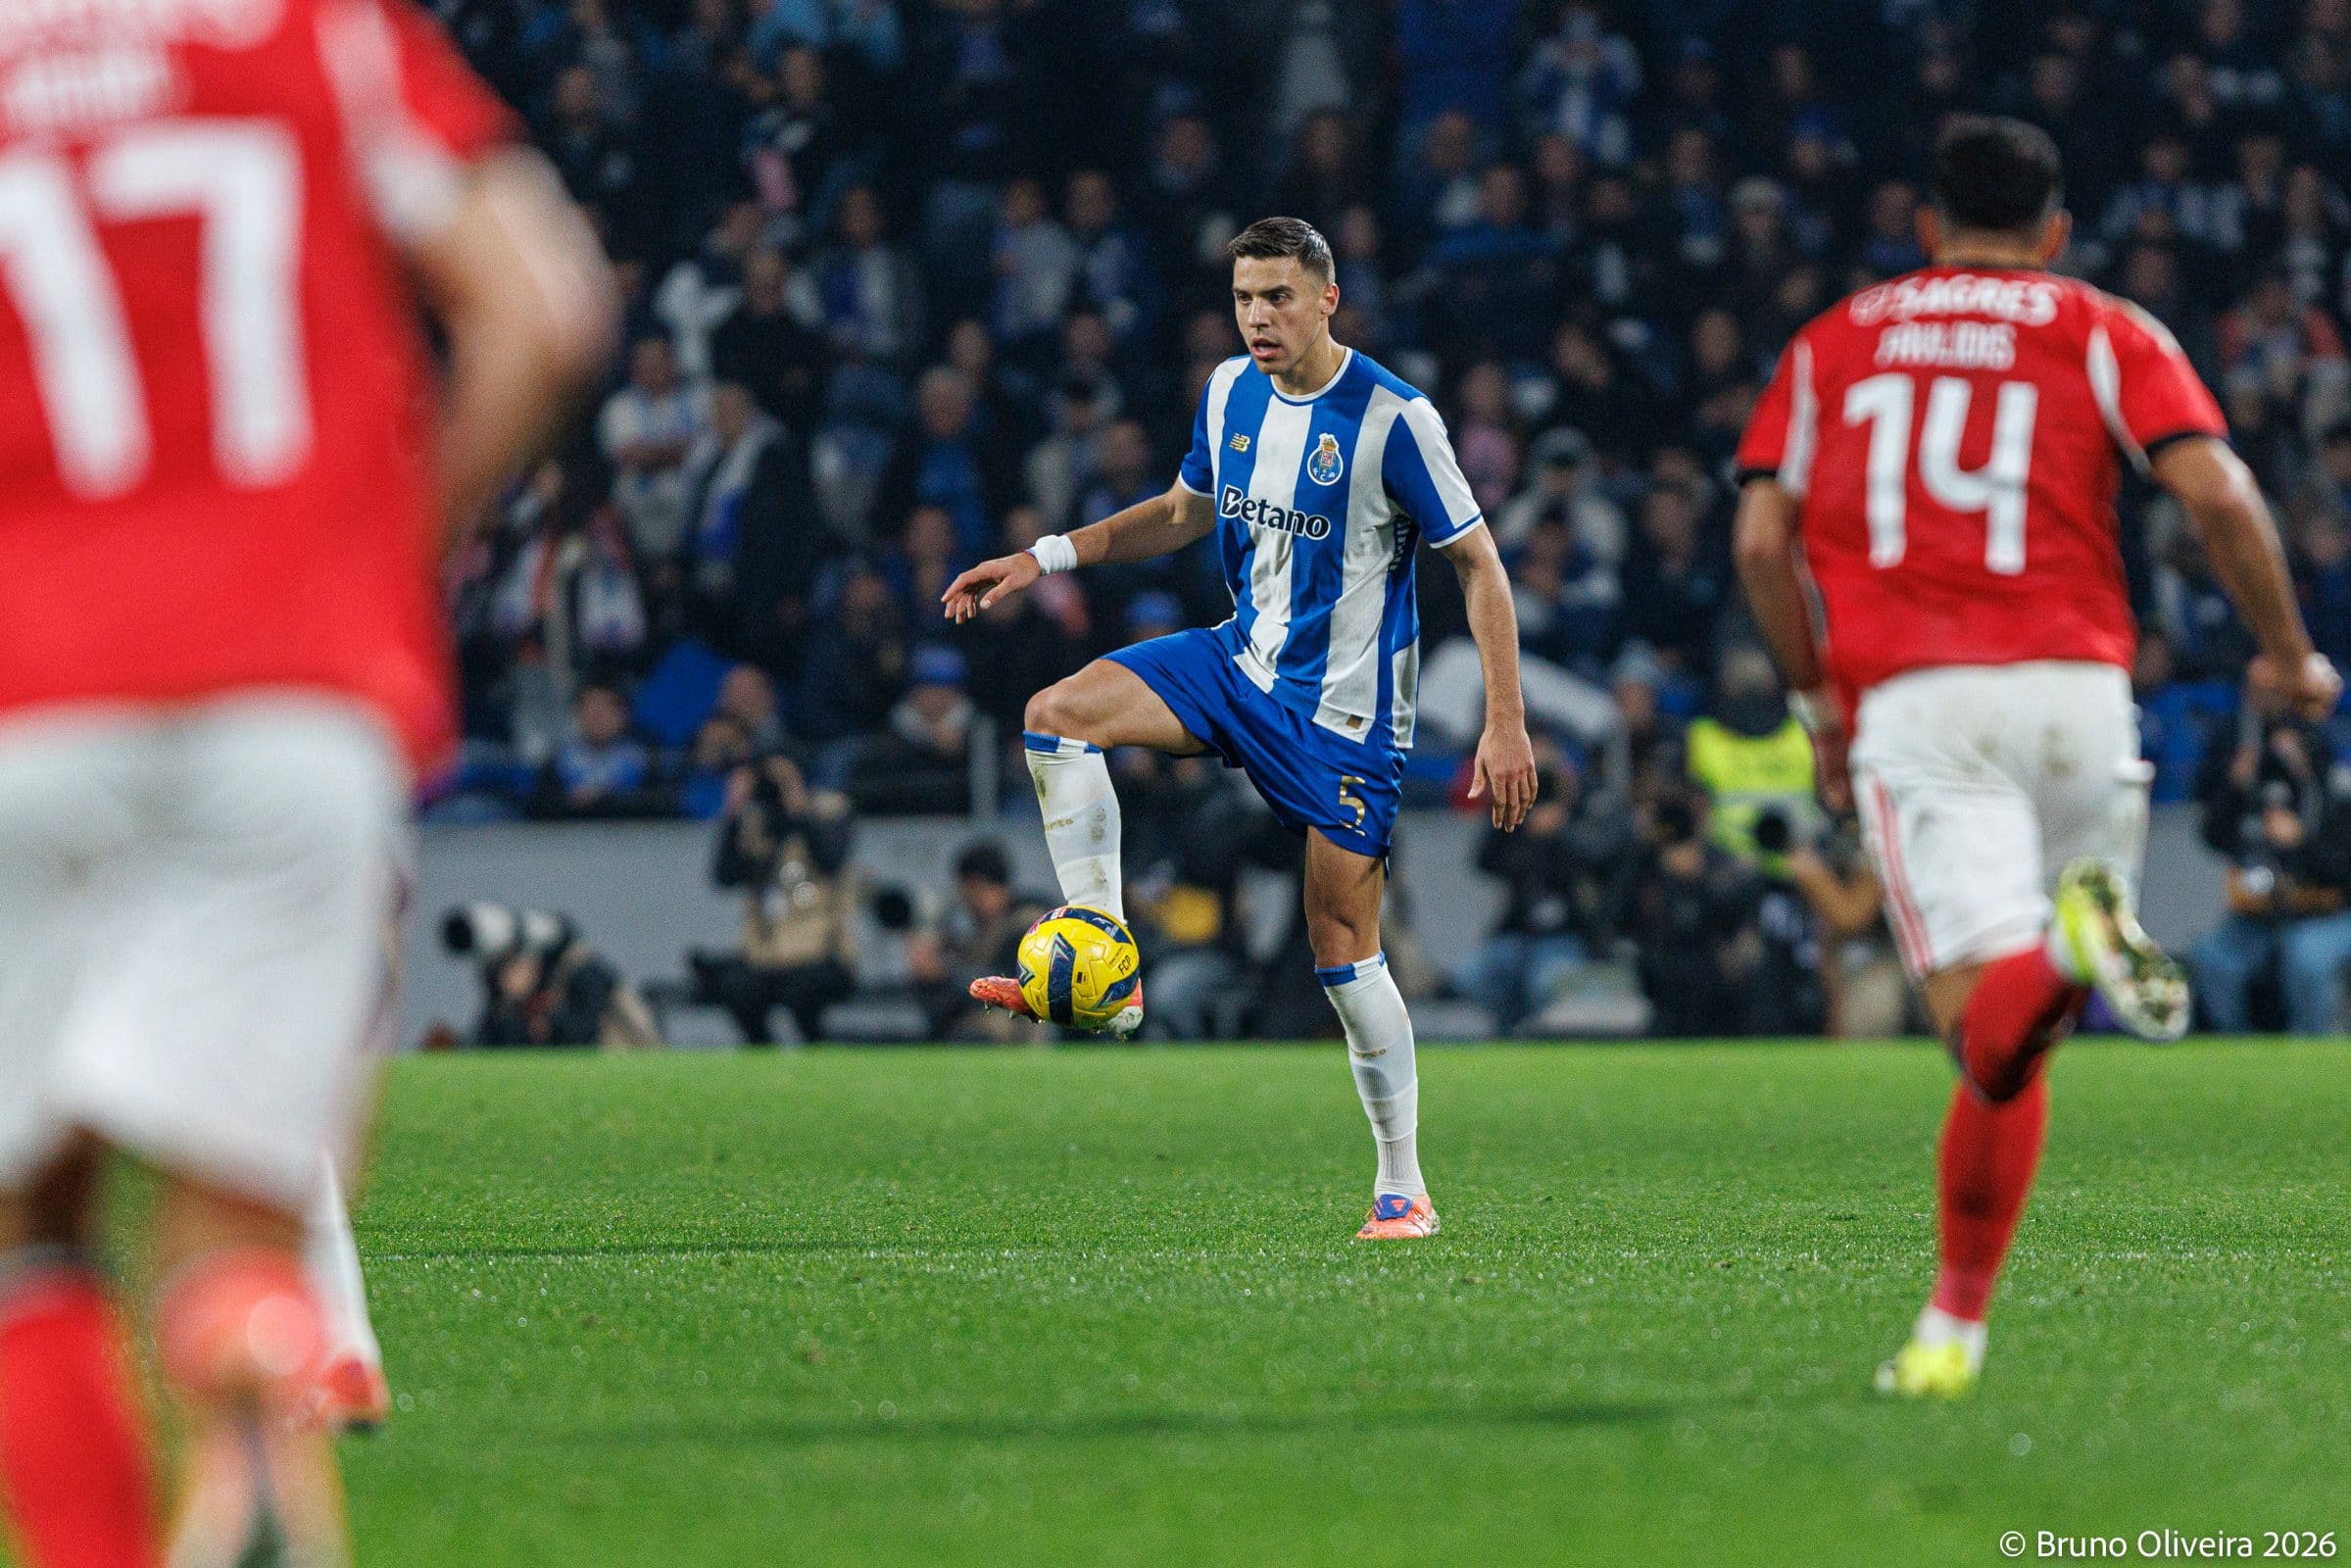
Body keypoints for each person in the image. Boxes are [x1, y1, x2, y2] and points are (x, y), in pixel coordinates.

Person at [0, 5, 613, 1567]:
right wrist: (373, 567)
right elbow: (544, 311)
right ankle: (260, 1362)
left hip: (31, 695)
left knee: (28, 1231)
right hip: (290, 692)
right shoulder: (324, 31)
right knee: (231, 1228)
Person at [1732, 115, 2340, 1400]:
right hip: (2075, 694)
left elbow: (1753, 541)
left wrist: (1815, 704)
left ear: (1923, 228)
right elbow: (2218, 492)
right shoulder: (2103, 326)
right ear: (2054, 231)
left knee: (1980, 1031)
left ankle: (2070, 950)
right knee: (2022, 1047)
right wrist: (2285, 651)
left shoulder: (1834, 340)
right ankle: (1950, 1333)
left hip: (1919, 703)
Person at [944, 217, 1537, 1241]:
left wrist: (1505, 720)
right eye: (1243, 298)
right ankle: (1103, 944)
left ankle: (1402, 1183)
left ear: (1325, 299)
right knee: (1055, 715)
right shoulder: (1228, 392)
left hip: (1343, 720)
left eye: (1277, 297)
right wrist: (1042, 556)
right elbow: (1182, 510)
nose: (1258, 317)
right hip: (1235, 665)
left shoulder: (1393, 419)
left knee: (1341, 951)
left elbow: (1477, 564)